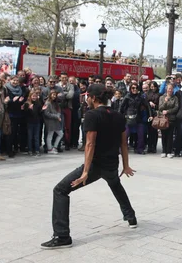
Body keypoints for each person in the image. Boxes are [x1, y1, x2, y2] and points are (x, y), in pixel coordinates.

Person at [41, 85, 137, 249]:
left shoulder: (92, 115)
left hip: (96, 165)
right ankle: (131, 217)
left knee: (60, 190)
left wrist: (85, 171)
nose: (86, 98)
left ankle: (62, 236)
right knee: (114, 184)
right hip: (112, 163)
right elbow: (124, 143)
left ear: (93, 98)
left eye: (87, 96)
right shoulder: (118, 116)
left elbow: (90, 144)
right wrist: (126, 165)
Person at [158, 84, 179, 158]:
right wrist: (165, 102)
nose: (170, 90)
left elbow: (176, 107)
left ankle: (169, 151)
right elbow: (160, 108)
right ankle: (164, 151)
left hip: (171, 119)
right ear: (166, 89)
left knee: (170, 135)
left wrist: (168, 111)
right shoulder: (162, 97)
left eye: (171, 89)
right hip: (163, 119)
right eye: (169, 89)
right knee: (164, 135)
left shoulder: (175, 98)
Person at [43, 90, 63, 155]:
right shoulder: (47, 103)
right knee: (50, 135)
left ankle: (54, 147)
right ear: (50, 95)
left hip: (55, 121)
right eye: (53, 94)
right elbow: (46, 113)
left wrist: (58, 115)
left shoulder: (55, 102)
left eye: (55, 95)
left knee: (60, 134)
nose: (54, 96)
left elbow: (58, 110)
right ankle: (50, 149)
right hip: (50, 121)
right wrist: (56, 116)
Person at [24, 89, 43, 157]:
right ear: (30, 96)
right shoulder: (27, 103)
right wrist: (29, 109)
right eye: (33, 96)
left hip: (37, 122)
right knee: (30, 137)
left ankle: (37, 150)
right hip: (30, 122)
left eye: (35, 96)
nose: (34, 97)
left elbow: (39, 113)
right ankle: (30, 150)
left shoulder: (38, 104)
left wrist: (42, 110)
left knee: (36, 137)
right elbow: (25, 114)